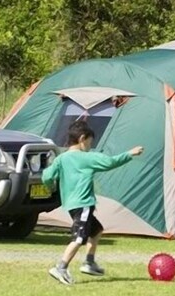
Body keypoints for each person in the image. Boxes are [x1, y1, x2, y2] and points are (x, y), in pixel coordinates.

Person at [43, 121, 143, 285]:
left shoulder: (61, 159)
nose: (91, 146)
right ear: (82, 139)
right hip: (83, 204)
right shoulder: (86, 158)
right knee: (79, 238)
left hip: (71, 204)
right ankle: (61, 267)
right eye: (90, 142)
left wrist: (51, 187)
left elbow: (46, 176)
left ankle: (89, 263)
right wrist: (129, 154)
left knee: (96, 230)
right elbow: (110, 162)